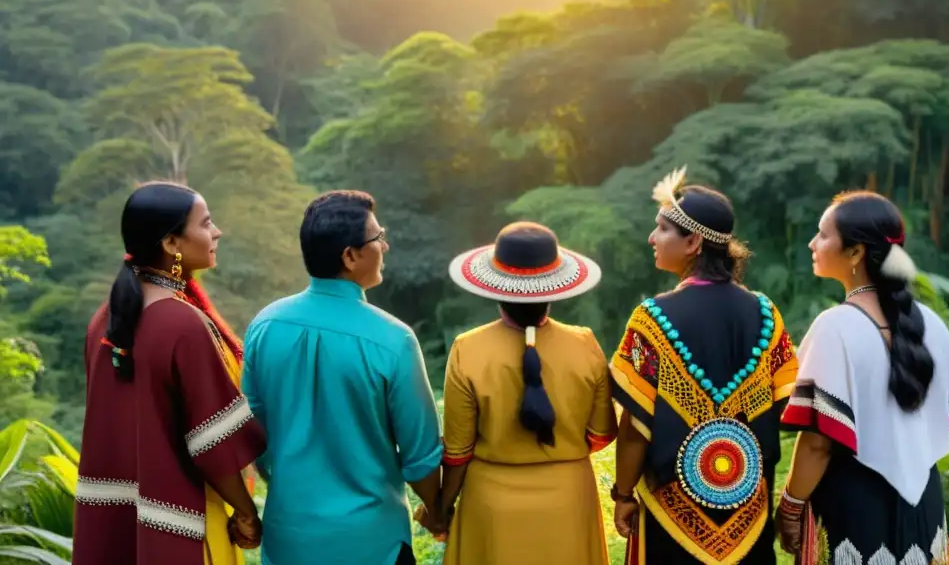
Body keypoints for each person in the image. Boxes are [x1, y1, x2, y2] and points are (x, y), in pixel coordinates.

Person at [242, 191, 443, 565]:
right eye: (377, 237)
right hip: (372, 543)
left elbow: (252, 433)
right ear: (350, 256)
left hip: (290, 540)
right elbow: (421, 457)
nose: (385, 244)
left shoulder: (264, 325)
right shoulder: (393, 339)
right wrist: (436, 509)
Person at [609, 167, 798, 565]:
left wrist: (623, 494)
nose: (651, 238)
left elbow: (634, 426)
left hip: (670, 513)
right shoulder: (766, 315)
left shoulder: (652, 319)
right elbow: (783, 405)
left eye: (661, 229)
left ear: (693, 241)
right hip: (746, 512)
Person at [73, 182, 266, 565]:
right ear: (172, 244)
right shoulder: (181, 324)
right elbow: (215, 444)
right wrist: (246, 512)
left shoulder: (103, 321)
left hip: (114, 525)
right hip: (182, 525)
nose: (217, 232)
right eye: (206, 223)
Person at [775, 191, 949, 563]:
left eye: (823, 234)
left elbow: (818, 444)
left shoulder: (834, 327)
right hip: (925, 505)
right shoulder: (934, 326)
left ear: (856, 252)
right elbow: (944, 422)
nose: (813, 244)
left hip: (855, 508)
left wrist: (791, 506)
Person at [435, 221, 616, 565]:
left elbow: (457, 453)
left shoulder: (467, 349)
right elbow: (601, 434)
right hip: (569, 502)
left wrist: (441, 509)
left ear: (496, 287)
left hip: (491, 507)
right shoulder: (585, 344)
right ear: (554, 289)